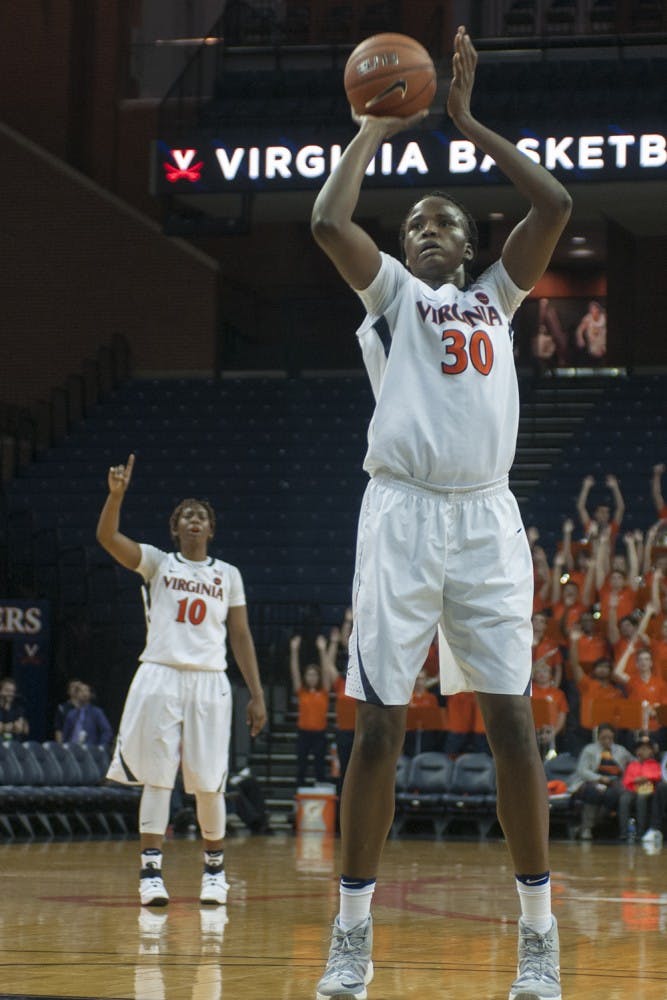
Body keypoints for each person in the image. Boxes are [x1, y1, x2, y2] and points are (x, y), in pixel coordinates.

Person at [310, 25, 572, 1000]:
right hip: (401, 515)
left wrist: (468, 123)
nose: (425, 231)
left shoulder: (497, 297)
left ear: (468, 246)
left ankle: (538, 937)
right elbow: (327, 221)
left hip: (486, 521)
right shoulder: (391, 298)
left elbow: (555, 204)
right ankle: (350, 937)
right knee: (378, 729)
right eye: (415, 222)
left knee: (511, 724)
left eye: (444, 223)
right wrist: (371, 128)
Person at [96, 453, 266, 907]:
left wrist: (257, 693)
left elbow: (240, 634)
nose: (194, 520)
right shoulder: (158, 563)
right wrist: (116, 497)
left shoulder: (228, 575)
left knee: (210, 782)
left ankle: (214, 873)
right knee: (157, 778)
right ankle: (151, 873)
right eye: (187, 515)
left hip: (210, 680)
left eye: (201, 516)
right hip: (162, 674)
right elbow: (108, 538)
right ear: (176, 528)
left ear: (210, 529)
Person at [570, 723, 634, 841]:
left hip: (614, 783)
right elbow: (582, 770)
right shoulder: (589, 749)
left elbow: (633, 762)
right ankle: (586, 829)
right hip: (593, 781)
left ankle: (586, 826)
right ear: (598, 736)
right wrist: (599, 778)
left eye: (610, 738)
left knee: (612, 795)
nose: (607, 741)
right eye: (604, 738)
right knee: (593, 792)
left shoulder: (621, 750)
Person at [289, 634, 332, 787]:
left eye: (314, 675)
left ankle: (320, 791)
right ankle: (299, 791)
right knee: (301, 766)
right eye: (309, 674)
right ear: (305, 677)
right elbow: (294, 671)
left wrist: (322, 650)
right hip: (304, 733)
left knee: (320, 767)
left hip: (319, 734)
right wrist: (294, 650)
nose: (312, 677)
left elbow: (326, 671)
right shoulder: (301, 691)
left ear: (318, 677)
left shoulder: (324, 691)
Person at [617, 732, 661, 839]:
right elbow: (626, 780)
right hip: (632, 789)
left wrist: (646, 778)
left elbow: (658, 775)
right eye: (640, 749)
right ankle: (624, 832)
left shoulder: (654, 764)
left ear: (651, 751)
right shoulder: (632, 765)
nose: (642, 751)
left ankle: (641, 832)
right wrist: (635, 780)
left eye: (645, 749)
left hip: (648, 789)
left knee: (641, 799)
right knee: (624, 799)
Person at [61, 681, 114, 748]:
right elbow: (65, 737)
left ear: (90, 694)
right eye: (81, 691)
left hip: (89, 750)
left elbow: (107, 731)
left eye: (86, 690)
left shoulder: (97, 713)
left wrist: (101, 748)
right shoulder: (71, 715)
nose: (84, 693)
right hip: (72, 749)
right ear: (76, 694)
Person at [0, 677, 29, 742]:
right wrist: (12, 726)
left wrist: (5, 727)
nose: (10, 694)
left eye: (12, 691)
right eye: (7, 690)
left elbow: (24, 729)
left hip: (14, 744)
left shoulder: (18, 709)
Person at [54, 678, 82, 742]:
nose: (76, 689)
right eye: (73, 687)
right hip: (68, 744)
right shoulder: (62, 708)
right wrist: (61, 746)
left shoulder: (89, 709)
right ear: (68, 691)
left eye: (78, 687)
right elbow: (58, 730)